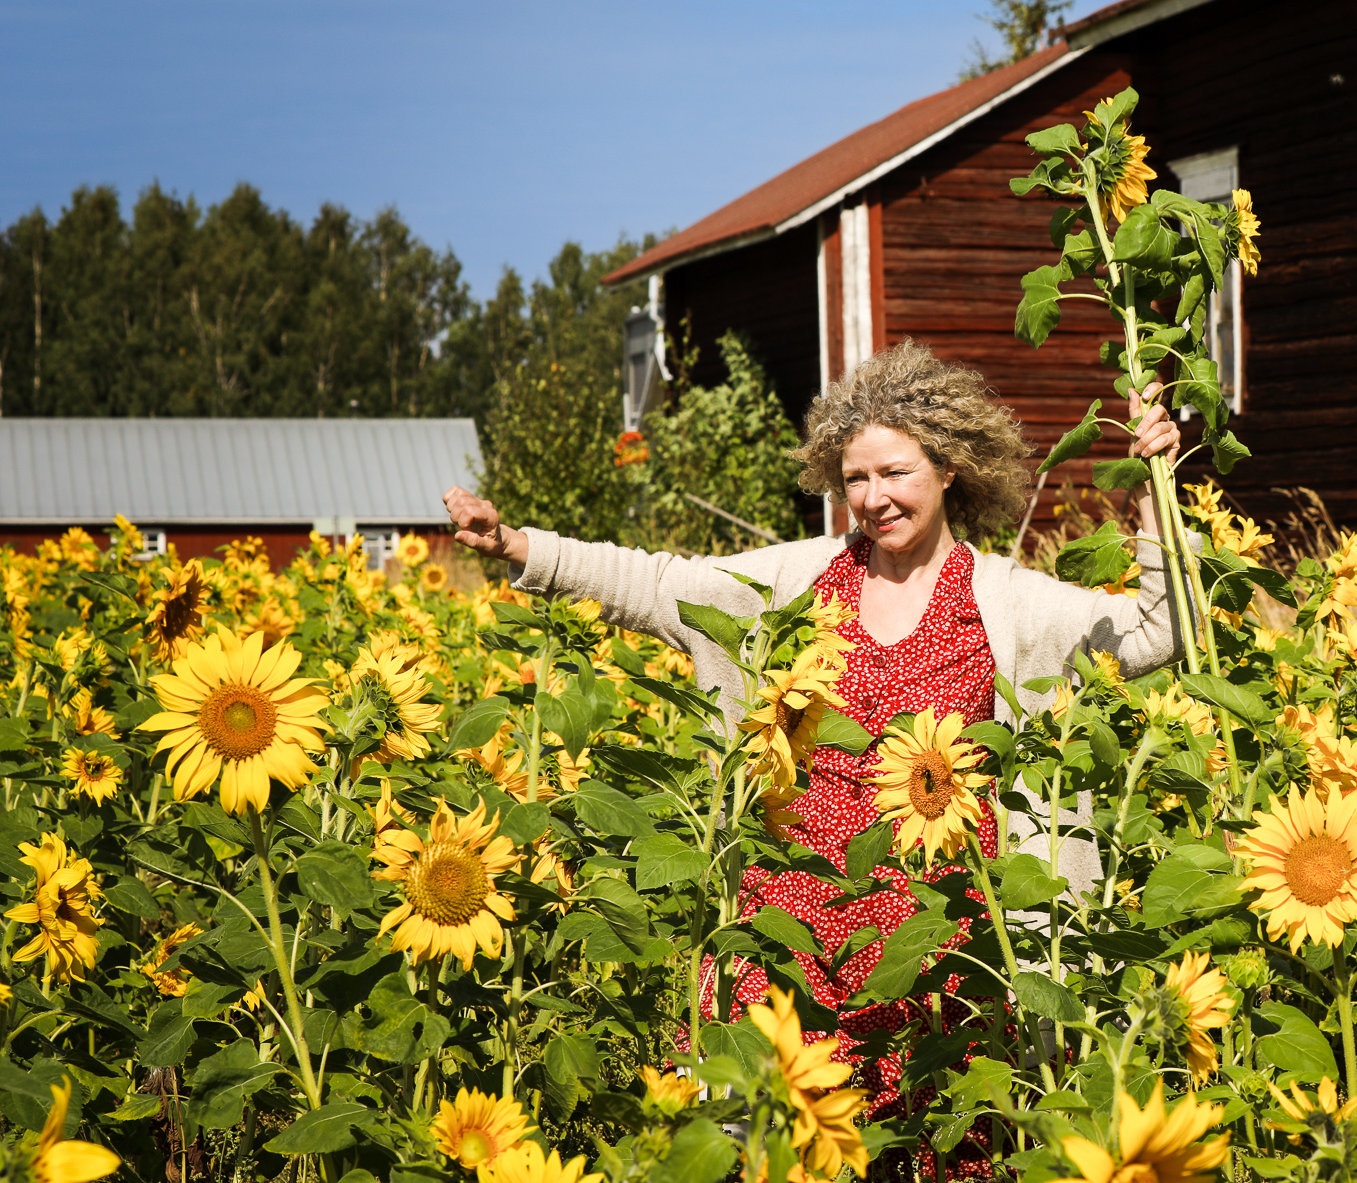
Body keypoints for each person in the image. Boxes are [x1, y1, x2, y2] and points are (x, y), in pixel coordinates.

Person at [441, 340, 1183, 1155]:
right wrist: (515, 543)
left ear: (950, 469)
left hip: (936, 941)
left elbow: (1156, 633)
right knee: (769, 1141)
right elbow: (657, 586)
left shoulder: (1007, 602)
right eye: (855, 478)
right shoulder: (801, 579)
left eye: (896, 473)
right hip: (787, 922)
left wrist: (1156, 498)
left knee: (931, 1143)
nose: (873, 497)